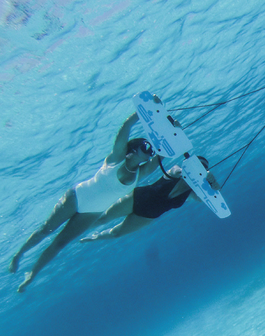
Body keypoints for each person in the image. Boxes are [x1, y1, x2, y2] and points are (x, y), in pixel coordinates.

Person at [9, 112, 160, 292]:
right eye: (146, 147)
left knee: (60, 243)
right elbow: (126, 125)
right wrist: (145, 113)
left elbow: (163, 155)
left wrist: (171, 130)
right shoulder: (117, 157)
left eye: (151, 150)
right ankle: (19, 254)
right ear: (133, 149)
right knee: (46, 230)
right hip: (77, 197)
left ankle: (32, 274)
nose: (150, 152)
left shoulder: (140, 174)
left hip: (93, 212)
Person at [79, 156, 220, 243]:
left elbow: (207, 199)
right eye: (198, 165)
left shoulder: (192, 192)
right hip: (137, 198)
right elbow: (177, 171)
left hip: (148, 215)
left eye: (203, 168)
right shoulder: (176, 170)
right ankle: (74, 229)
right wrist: (191, 172)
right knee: (103, 219)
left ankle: (95, 237)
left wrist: (214, 184)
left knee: (116, 233)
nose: (200, 169)